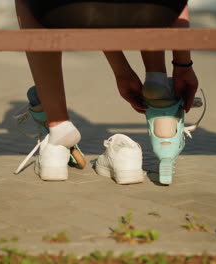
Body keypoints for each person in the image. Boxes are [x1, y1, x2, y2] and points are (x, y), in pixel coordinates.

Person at [14, 0, 199, 182]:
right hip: (158, 9)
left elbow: (93, 13)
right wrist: (183, 64)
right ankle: (157, 83)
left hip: (64, 10)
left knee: (29, 2)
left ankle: (58, 127)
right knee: (157, 5)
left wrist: (121, 69)